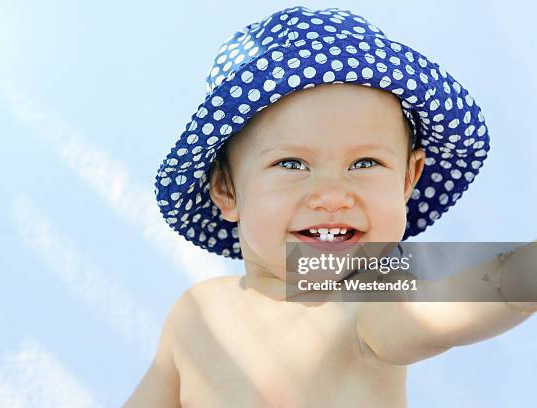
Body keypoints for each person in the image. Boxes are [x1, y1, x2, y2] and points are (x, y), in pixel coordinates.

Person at [125, 5, 536, 407]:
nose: (333, 195)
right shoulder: (196, 314)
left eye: (365, 163)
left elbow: (466, 299)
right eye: (291, 164)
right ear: (226, 189)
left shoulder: (368, 298)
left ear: (408, 179)